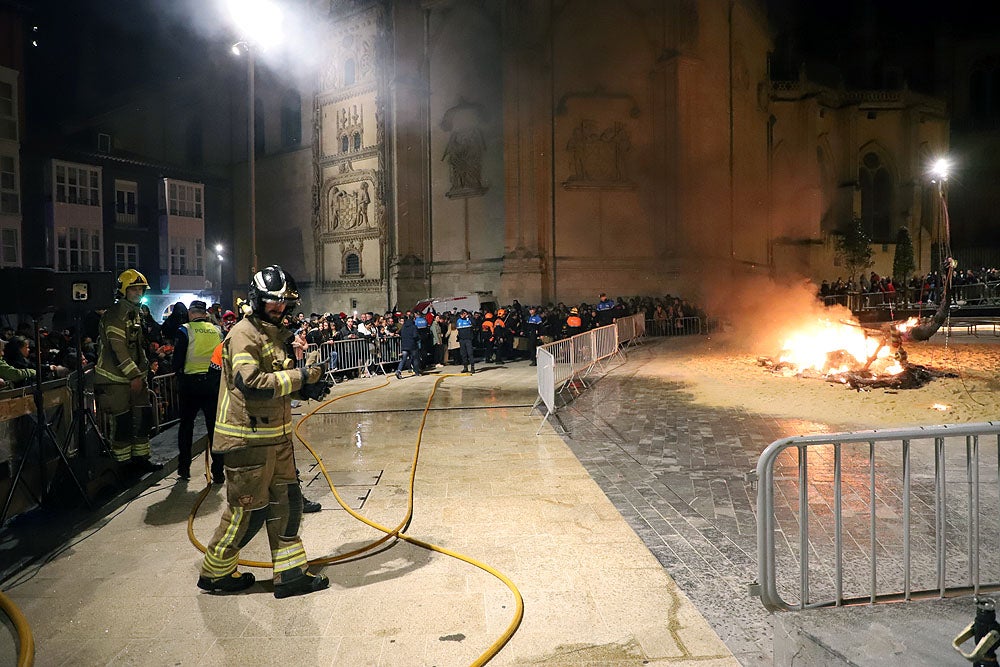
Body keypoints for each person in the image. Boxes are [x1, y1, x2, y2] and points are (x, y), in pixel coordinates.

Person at [198, 265, 330, 598]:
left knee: (288, 504)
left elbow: (278, 381)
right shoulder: (244, 332)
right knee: (248, 513)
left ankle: (290, 576)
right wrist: (302, 379)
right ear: (258, 300)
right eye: (273, 302)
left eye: (284, 303)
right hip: (248, 440)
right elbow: (251, 383)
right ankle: (215, 573)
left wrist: (305, 390)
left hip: (276, 438)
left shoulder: (271, 334)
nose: (280, 309)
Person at [94, 269, 161, 472]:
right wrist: (134, 375)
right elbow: (118, 349)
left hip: (136, 377)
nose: (139, 293)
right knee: (122, 421)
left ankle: (141, 459)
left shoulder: (135, 312)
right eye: (134, 289)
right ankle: (123, 465)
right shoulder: (115, 315)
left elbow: (137, 346)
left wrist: (143, 371)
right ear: (123, 290)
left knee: (143, 418)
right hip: (115, 378)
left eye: (141, 289)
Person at [171, 300, 225, 483]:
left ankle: (184, 469)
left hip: (190, 385)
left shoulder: (184, 330)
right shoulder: (217, 331)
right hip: (212, 384)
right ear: (205, 313)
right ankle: (218, 472)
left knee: (186, 427)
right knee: (214, 429)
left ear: (191, 313)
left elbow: (177, 359)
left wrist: (177, 372)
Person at [395, 311, 422, 378]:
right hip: (412, 345)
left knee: (403, 359)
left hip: (404, 345)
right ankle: (416, 372)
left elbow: (400, 333)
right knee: (415, 358)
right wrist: (419, 338)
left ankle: (398, 370)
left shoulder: (403, 326)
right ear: (413, 319)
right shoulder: (414, 327)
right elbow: (415, 336)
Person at [456, 309, 475, 374]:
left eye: (464, 314)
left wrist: (469, 317)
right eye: (462, 314)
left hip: (468, 339)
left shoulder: (469, 319)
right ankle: (465, 367)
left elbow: (474, 324)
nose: (463, 315)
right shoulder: (458, 320)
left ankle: (472, 367)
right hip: (462, 340)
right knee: (463, 354)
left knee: (470, 353)